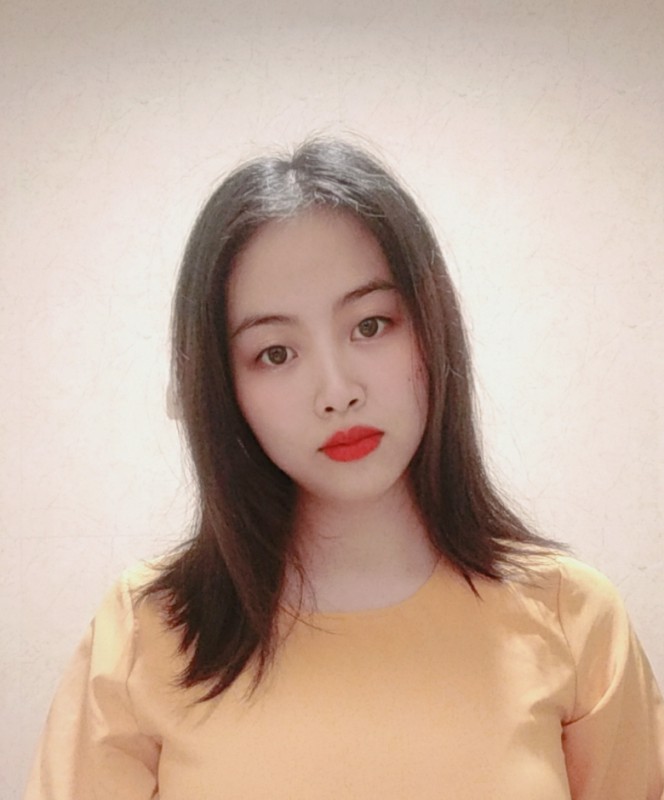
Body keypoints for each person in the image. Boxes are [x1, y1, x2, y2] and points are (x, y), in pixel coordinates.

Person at [25, 137, 664, 799]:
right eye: (275, 353)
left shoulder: (570, 616)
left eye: (370, 325)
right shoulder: (149, 630)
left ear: (432, 327)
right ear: (224, 388)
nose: (336, 391)